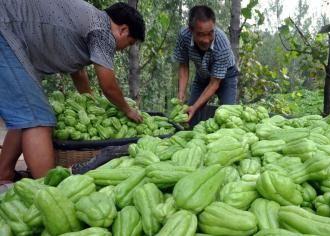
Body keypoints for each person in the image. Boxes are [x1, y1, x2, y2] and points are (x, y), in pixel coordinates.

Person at [0, 0, 145, 187]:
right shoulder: (102, 31)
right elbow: (108, 85)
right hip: (6, 30)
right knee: (40, 117)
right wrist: (127, 109)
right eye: (129, 43)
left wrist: (91, 104)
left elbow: (78, 72)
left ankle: (4, 175)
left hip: (8, 28)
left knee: (27, 114)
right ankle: (51, 192)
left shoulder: (89, 23)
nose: (123, 49)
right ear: (123, 30)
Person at [173, 5, 238, 124]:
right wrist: (181, 92)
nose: (206, 40)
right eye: (201, 34)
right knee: (189, 115)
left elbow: (214, 83)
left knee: (228, 117)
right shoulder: (184, 36)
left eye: (210, 33)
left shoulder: (222, 44)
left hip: (226, 76)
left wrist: (195, 106)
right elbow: (183, 65)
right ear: (190, 30)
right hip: (202, 74)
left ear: (214, 26)